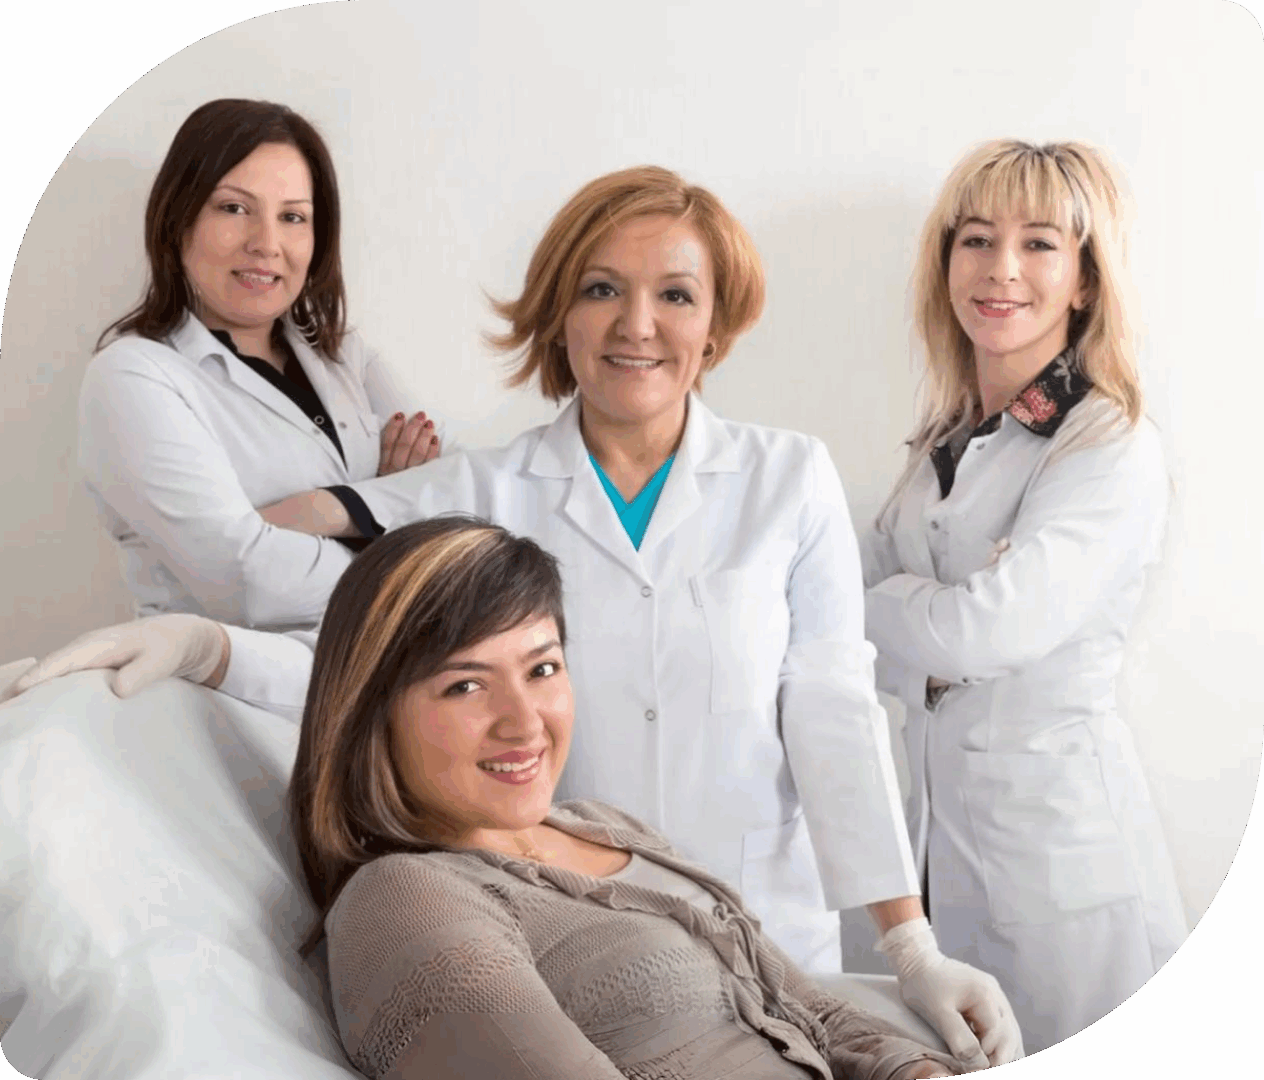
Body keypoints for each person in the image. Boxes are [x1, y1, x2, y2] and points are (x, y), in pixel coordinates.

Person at [10, 167, 1022, 1069]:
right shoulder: (485, 494)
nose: (637, 324)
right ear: (559, 319)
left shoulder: (786, 477)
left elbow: (832, 708)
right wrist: (207, 641)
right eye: (600, 290)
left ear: (715, 326)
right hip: (570, 959)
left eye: (674, 294)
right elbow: (361, 652)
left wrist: (908, 946)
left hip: (762, 934)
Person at [294, 513, 963, 1079]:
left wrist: (919, 1071)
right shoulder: (405, 898)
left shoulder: (601, 826)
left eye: (543, 668)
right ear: (370, 712)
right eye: (465, 686)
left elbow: (815, 1013)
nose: (525, 722)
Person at [860, 139, 1187, 1052]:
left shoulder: (1106, 444)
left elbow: (982, 632)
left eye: (1040, 243)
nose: (1002, 270)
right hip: (939, 857)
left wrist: (882, 602)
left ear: (1084, 280)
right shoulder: (945, 442)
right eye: (976, 239)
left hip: (1059, 872)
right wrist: (904, 608)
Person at [80, 98, 447, 633]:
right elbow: (245, 582)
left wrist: (333, 508)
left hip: (380, 683)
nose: (266, 244)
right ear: (177, 219)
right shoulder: (133, 376)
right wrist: (397, 534)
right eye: (233, 208)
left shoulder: (348, 356)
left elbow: (466, 501)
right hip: (222, 697)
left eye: (293, 217)